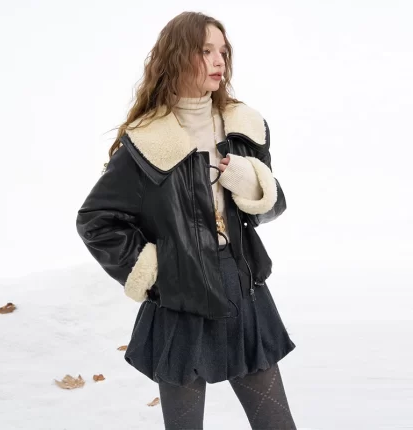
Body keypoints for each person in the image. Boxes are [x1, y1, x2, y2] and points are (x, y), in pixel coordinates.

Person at [76, 11, 297, 430]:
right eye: (206, 51)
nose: (219, 61)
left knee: (276, 424)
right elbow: (95, 221)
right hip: (179, 296)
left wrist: (248, 180)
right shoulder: (145, 142)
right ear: (178, 57)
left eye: (223, 51)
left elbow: (273, 204)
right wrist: (153, 267)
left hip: (240, 284)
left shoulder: (243, 127)